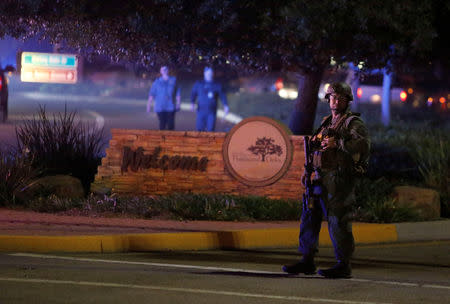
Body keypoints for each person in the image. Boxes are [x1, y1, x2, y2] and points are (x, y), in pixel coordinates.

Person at [283, 82, 370, 279]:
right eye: (332, 97)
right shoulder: (326, 122)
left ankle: (343, 264)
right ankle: (307, 260)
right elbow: (317, 148)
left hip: (340, 178)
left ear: (347, 100)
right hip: (321, 176)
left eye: (340, 98)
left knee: (338, 219)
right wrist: (310, 170)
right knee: (309, 216)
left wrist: (338, 143)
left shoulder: (353, 123)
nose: (335, 100)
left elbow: (363, 145)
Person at [190, 66, 229, 132]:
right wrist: (192, 102)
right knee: (199, 130)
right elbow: (193, 93)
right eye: (207, 73)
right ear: (204, 73)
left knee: (210, 130)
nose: (209, 74)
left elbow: (222, 96)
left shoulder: (217, 85)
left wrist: (225, 105)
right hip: (200, 111)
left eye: (210, 73)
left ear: (212, 74)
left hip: (211, 112)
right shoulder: (199, 83)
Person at [147, 66, 181, 130]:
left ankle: (171, 139)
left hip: (170, 106)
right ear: (161, 71)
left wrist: (178, 103)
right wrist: (148, 106)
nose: (164, 71)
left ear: (168, 71)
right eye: (163, 70)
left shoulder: (173, 81)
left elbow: (177, 93)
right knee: (162, 124)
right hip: (160, 107)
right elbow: (151, 94)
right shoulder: (157, 82)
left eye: (166, 69)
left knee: (171, 125)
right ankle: (162, 139)